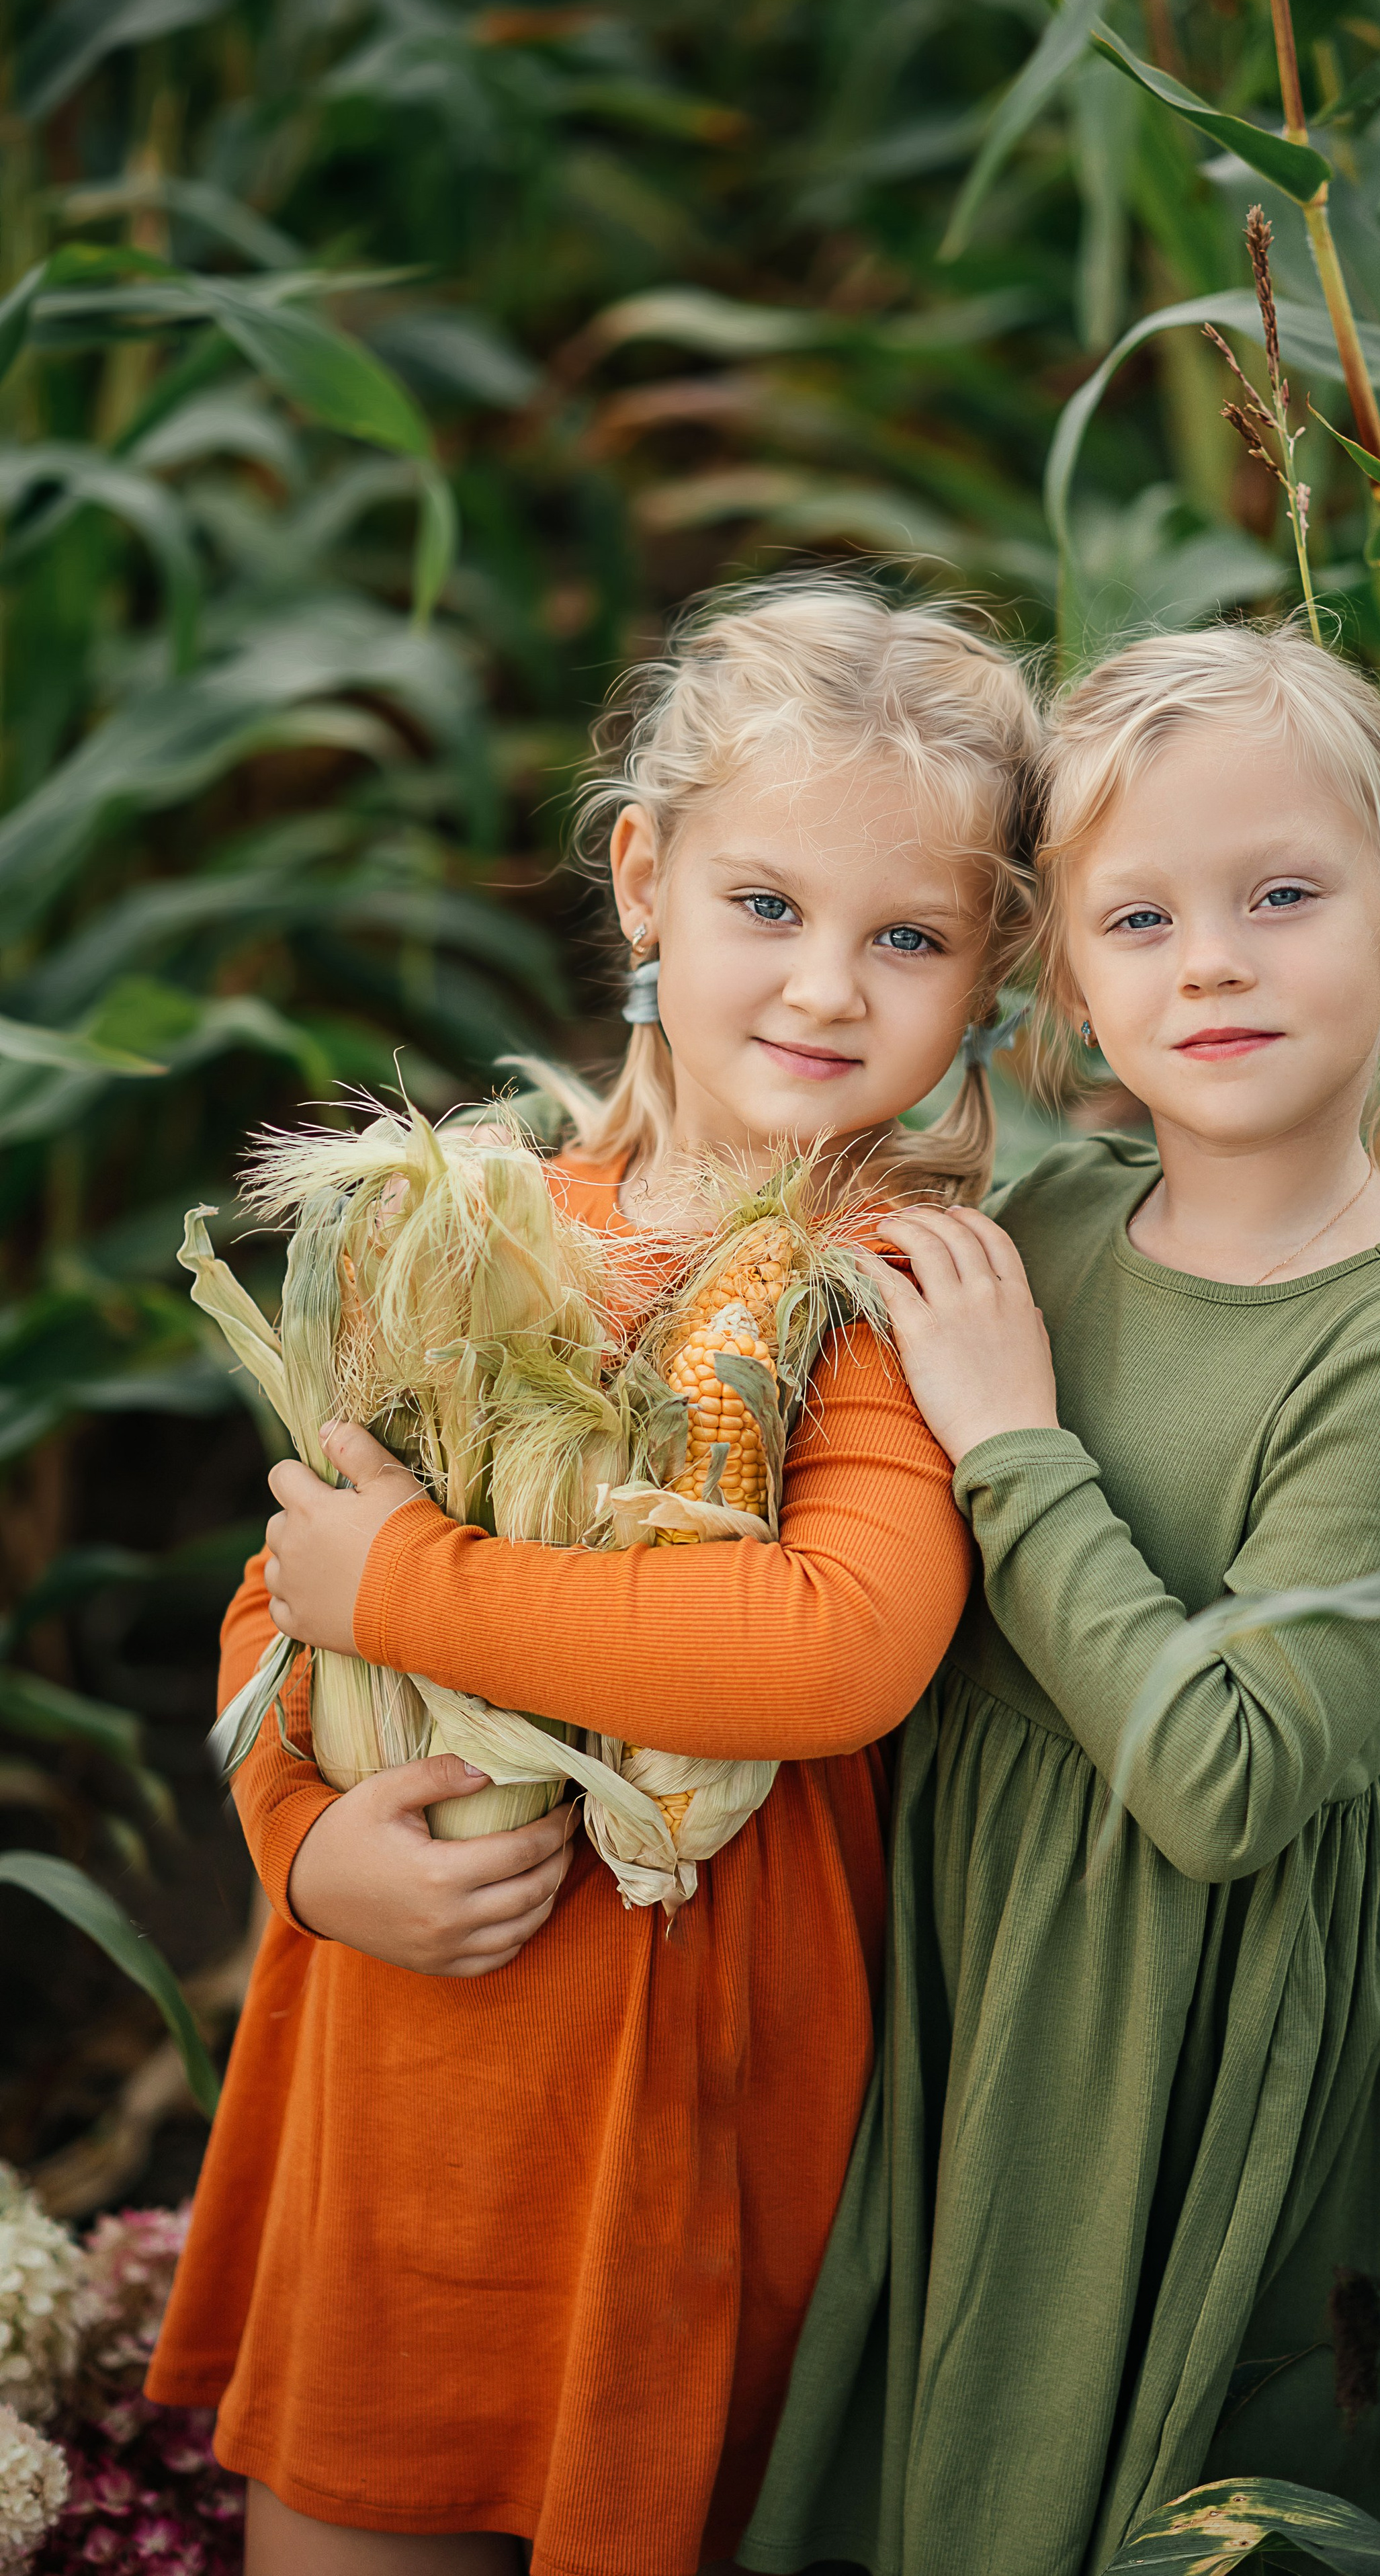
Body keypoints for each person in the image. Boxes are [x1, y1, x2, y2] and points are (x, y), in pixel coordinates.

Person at [144, 579, 1043, 2576]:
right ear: (645, 882)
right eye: (767, 906)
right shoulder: (455, 1226)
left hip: (675, 2097)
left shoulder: (885, 1294)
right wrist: (306, 1849)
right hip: (405, 2064)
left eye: (909, 938)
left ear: (990, 969)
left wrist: (414, 1590)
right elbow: (292, 1597)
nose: (827, 987)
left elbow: (834, 1652)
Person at [740, 623, 1380, 2576]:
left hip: (1161, 2036)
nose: (1214, 962)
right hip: (962, 1959)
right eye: (1142, 919)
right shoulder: (1046, 1226)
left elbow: (1228, 1784)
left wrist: (1016, 1447)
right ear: (1071, 983)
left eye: (1282, 896)